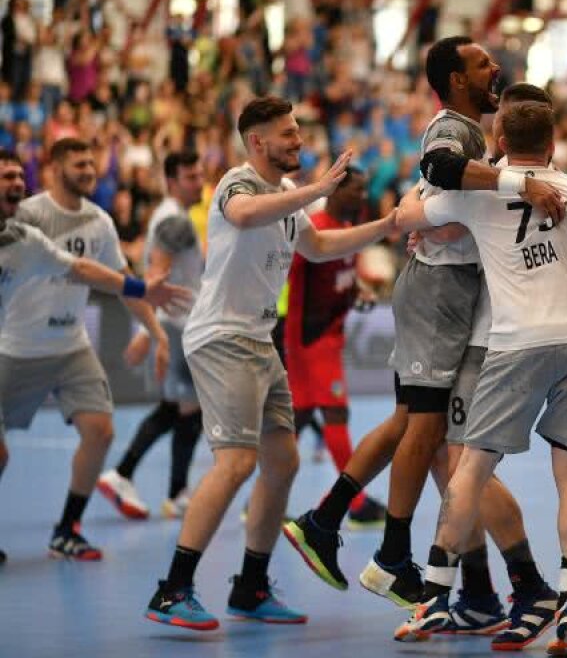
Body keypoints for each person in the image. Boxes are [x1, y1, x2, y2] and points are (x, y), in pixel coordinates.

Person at [283, 39, 564, 631]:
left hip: (452, 294)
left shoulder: (476, 138)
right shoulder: (454, 129)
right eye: (483, 63)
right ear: (457, 79)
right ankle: (389, 553)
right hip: (438, 293)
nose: (495, 69)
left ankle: (335, 526)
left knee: (426, 432)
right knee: (432, 432)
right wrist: (512, 187)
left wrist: (435, 212)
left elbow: (438, 196)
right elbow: (437, 170)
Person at [143, 96, 401, 631]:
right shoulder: (237, 184)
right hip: (223, 338)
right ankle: (172, 589)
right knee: (236, 462)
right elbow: (243, 214)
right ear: (257, 142)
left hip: (260, 342)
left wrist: (387, 224)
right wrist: (318, 190)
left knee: (282, 461)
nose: (298, 140)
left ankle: (251, 586)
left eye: (298, 131)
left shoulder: (284, 193)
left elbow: (319, 244)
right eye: (287, 133)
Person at [392, 99, 567, 657]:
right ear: (554, 143)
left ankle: (435, 596)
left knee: (470, 467)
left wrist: (427, 223)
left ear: (500, 143)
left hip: (516, 340)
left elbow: (406, 217)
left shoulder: (477, 194)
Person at [0, 139, 186, 560]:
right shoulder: (25, 217)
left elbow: (112, 279)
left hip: (71, 348)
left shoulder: (99, 222)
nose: (88, 169)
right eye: (79, 163)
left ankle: (67, 530)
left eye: (91, 162)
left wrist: (155, 332)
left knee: (101, 431)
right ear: (54, 167)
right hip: (15, 348)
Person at [97, 151, 206, 520]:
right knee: (188, 410)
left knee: (178, 408)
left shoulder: (169, 216)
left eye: (200, 175)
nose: (199, 182)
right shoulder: (174, 221)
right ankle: (154, 485)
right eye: (191, 177)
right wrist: (152, 333)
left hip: (177, 326)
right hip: (177, 327)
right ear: (172, 181)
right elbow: (156, 280)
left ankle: (145, 481)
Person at [284, 166, 387, 527]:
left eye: (364, 189)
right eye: (356, 189)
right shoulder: (313, 229)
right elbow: (285, 274)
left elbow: (341, 277)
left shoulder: (347, 228)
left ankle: (263, 498)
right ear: (336, 191)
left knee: (297, 418)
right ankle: (353, 503)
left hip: (330, 335)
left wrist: (358, 291)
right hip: (309, 340)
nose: (362, 196)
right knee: (336, 413)